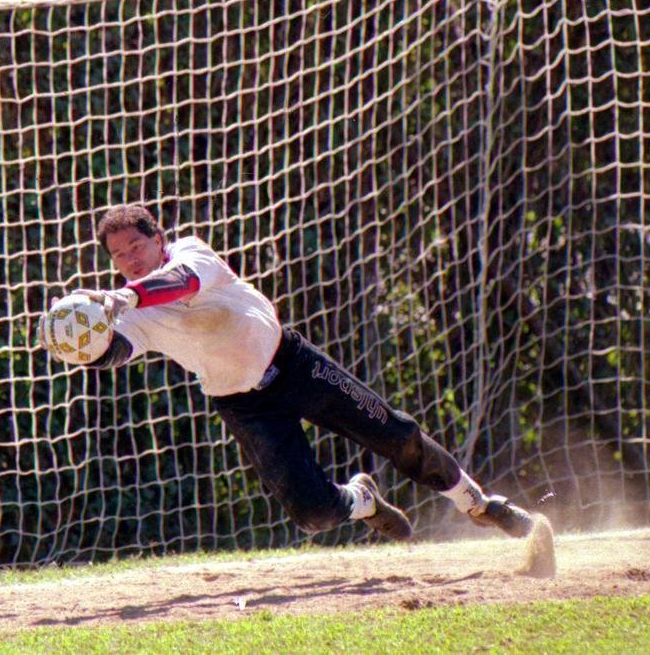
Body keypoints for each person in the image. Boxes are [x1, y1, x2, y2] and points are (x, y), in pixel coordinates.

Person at [37, 203, 535, 541]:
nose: (128, 260)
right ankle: (362, 499)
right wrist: (80, 345)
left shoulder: (189, 254)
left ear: (158, 238)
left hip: (293, 364)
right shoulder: (130, 310)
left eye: (135, 247)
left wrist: (124, 296)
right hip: (243, 405)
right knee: (315, 515)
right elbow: (117, 352)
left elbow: (179, 283)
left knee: (395, 433)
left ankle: (477, 502)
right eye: (118, 256)